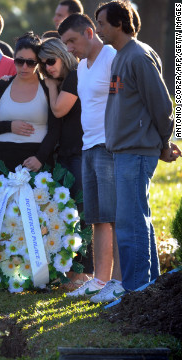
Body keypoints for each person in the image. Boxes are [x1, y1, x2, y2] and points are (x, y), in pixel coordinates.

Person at [95, 1, 178, 295]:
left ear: (119, 24)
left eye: (103, 24)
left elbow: (162, 104)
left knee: (130, 225)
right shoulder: (120, 56)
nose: (98, 30)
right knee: (137, 220)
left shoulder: (138, 56)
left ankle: (134, 290)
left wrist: (165, 142)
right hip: (123, 151)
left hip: (136, 152)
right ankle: (150, 289)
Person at [58, 13, 122, 303]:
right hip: (88, 146)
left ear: (89, 32)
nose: (69, 48)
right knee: (96, 218)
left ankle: (120, 281)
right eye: (65, 43)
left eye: (72, 40)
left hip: (111, 147)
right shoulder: (82, 67)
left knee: (115, 216)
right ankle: (100, 280)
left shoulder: (112, 55)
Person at [38, 37, 94, 287]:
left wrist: (50, 87)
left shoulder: (74, 74)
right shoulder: (66, 79)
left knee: (82, 214)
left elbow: (59, 110)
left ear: (62, 54)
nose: (47, 68)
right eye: (43, 64)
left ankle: (84, 274)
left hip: (80, 153)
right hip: (69, 154)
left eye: (51, 61)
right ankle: (73, 271)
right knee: (70, 215)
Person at [0, 32, 60, 173]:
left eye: (30, 62)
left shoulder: (48, 87)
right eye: (19, 61)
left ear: (39, 62)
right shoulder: (0, 86)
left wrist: (40, 158)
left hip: (35, 161)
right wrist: (10, 126)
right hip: (1, 160)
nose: (24, 67)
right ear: (14, 59)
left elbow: (56, 129)